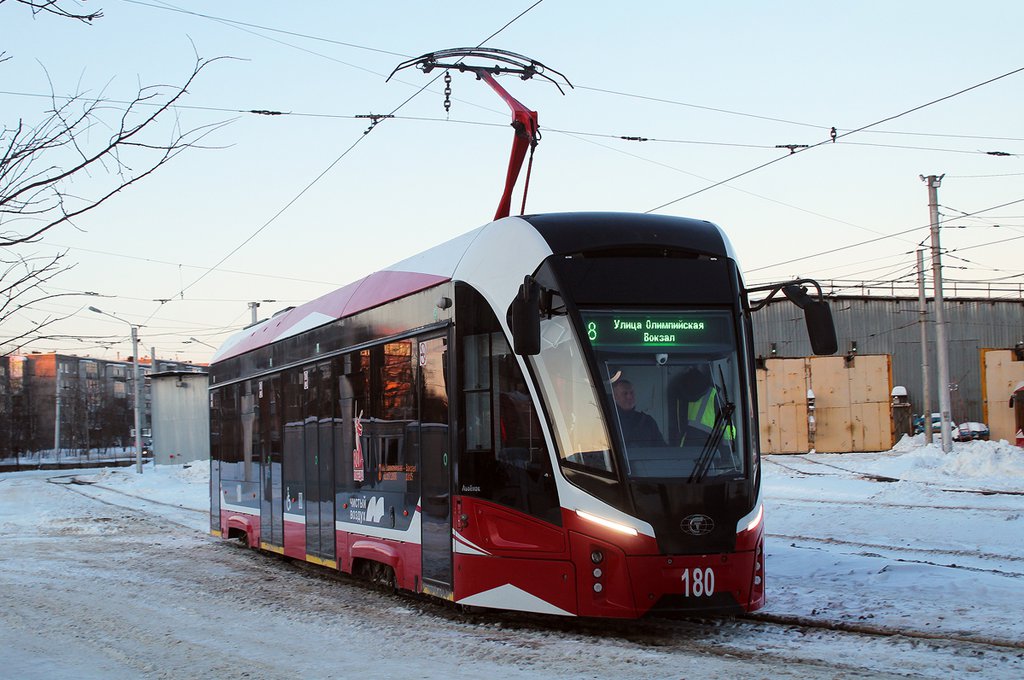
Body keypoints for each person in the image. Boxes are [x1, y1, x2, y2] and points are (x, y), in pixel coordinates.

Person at [669, 365, 734, 447]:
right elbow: (727, 425)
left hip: (685, 450)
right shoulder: (712, 395)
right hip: (709, 452)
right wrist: (728, 450)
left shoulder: (679, 394)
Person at [612, 378, 665, 447]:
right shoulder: (607, 422)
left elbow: (662, 449)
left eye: (632, 393)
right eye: (625, 394)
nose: (629, 397)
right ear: (615, 397)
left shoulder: (647, 421)